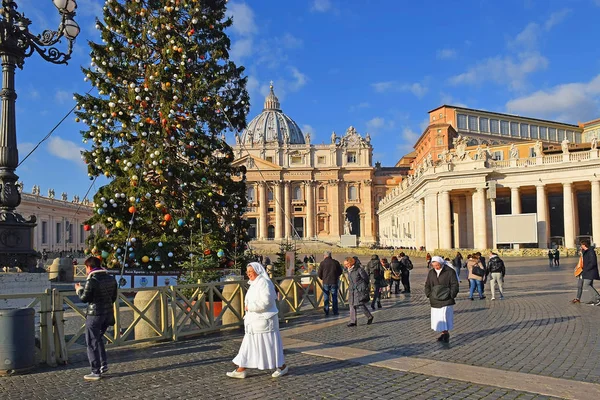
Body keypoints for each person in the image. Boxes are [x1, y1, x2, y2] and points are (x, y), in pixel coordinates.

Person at [228, 262, 288, 378]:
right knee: (249, 345)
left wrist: (249, 307)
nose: (248, 274)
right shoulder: (254, 283)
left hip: (264, 322)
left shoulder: (264, 283)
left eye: (251, 272)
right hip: (254, 322)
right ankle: (241, 369)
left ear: (257, 271)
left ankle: (282, 367)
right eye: (247, 272)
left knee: (269, 346)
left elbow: (266, 302)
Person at [75, 256, 117, 381]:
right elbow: (113, 297)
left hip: (94, 315)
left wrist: (79, 289)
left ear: (89, 267)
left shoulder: (92, 280)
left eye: (86, 267)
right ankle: (103, 364)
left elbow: (84, 298)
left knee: (91, 342)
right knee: (98, 339)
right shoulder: (111, 278)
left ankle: (95, 371)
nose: (86, 270)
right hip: (107, 314)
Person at [424, 256, 459, 343]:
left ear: (441, 263)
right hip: (435, 299)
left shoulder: (450, 272)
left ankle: (446, 334)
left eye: (437, 265)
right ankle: (444, 333)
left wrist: (451, 295)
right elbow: (427, 284)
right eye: (434, 265)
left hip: (446, 299)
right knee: (438, 318)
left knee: (445, 317)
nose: (436, 267)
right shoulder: (431, 272)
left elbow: (455, 284)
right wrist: (429, 294)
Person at [344, 257, 373, 326]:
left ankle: (369, 316)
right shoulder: (348, 270)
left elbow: (366, 278)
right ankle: (353, 321)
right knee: (351, 305)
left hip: (359, 289)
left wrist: (363, 286)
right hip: (352, 289)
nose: (346, 265)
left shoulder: (359, 269)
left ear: (351, 262)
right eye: (345, 264)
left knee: (360, 304)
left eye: (347, 264)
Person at [317, 251, 343, 316]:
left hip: (326, 282)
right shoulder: (336, 262)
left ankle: (326, 311)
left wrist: (322, 278)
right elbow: (340, 271)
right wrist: (336, 276)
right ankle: (335, 311)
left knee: (326, 296)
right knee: (334, 296)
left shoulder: (322, 263)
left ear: (325, 256)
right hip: (334, 281)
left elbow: (319, 273)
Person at [580, 240, 600, 306]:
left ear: (584, 245)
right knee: (590, 285)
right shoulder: (586, 252)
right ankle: (593, 299)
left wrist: (587, 269)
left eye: (581, 245)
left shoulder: (591, 252)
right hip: (587, 271)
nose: (581, 246)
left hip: (590, 271)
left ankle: (597, 298)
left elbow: (593, 262)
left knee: (586, 285)